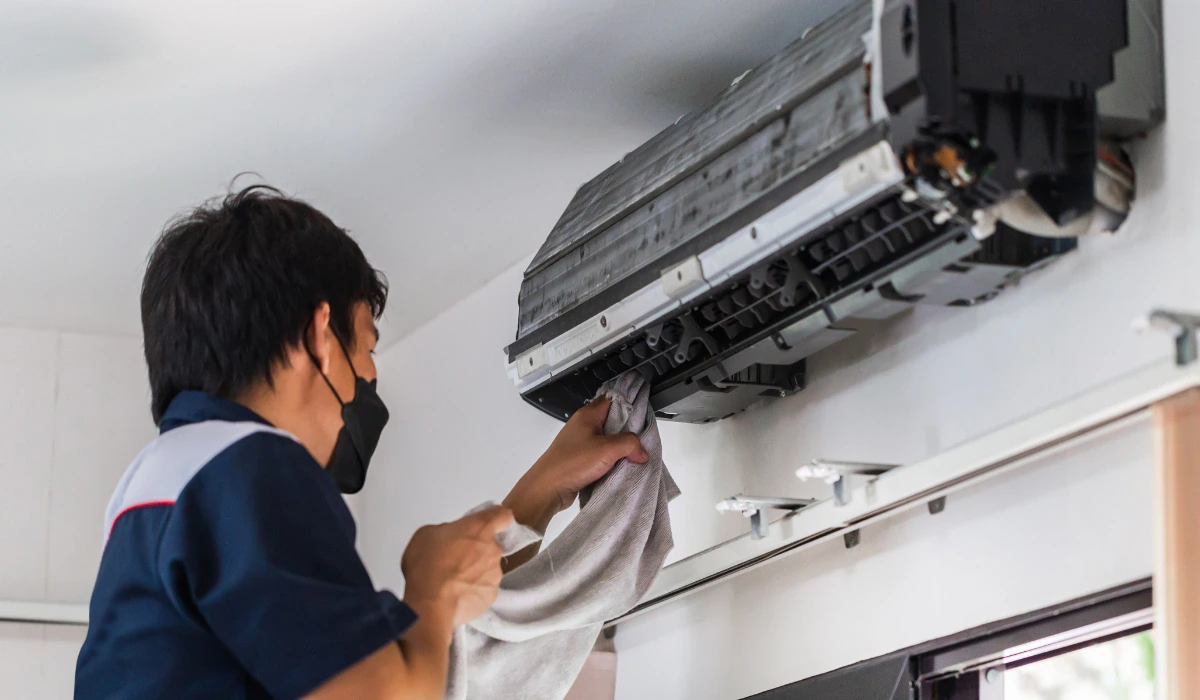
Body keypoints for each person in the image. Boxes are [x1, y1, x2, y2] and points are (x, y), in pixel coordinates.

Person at [74, 185, 649, 700]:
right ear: (320, 337)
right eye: (368, 348)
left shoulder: (156, 487)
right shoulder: (251, 467)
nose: (370, 378)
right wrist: (430, 590)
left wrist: (541, 491)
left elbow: (395, 660)